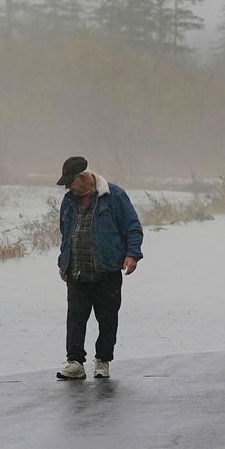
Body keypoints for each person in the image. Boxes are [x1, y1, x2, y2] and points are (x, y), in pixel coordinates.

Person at [54, 155, 144, 380]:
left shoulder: (114, 196)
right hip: (77, 270)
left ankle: (103, 361)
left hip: (107, 270)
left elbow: (133, 227)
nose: (67, 187)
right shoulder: (69, 200)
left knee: (107, 317)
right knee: (75, 318)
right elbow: (65, 234)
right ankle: (74, 362)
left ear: (83, 178)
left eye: (70, 182)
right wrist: (62, 263)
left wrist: (132, 254)